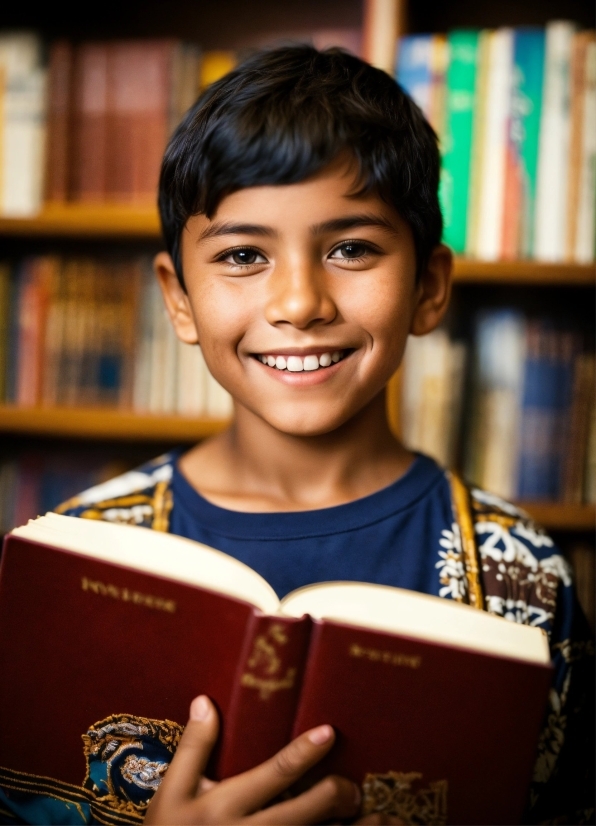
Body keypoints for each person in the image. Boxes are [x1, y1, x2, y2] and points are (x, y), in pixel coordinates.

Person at [2, 46, 592, 826]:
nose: (300, 302)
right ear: (178, 300)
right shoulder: (76, 553)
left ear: (428, 287)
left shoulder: (525, 575)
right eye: (244, 255)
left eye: (351, 249)